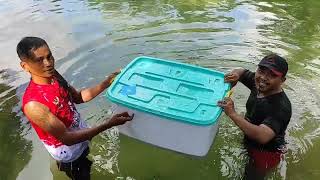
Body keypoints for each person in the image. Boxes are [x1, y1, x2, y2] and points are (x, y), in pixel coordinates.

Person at [17, 36, 134, 180]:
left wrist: (107, 82)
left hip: (81, 132)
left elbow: (78, 97)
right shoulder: (33, 105)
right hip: (70, 154)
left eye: (49, 56)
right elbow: (67, 139)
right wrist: (108, 124)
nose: (48, 64)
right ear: (25, 66)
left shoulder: (54, 75)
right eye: (39, 60)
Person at [218, 54, 292, 179]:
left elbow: (263, 136)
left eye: (272, 75)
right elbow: (241, 71)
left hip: (267, 151)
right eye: (261, 70)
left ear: (282, 80)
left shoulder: (281, 107)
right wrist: (235, 75)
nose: (263, 77)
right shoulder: (258, 83)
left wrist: (232, 114)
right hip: (250, 137)